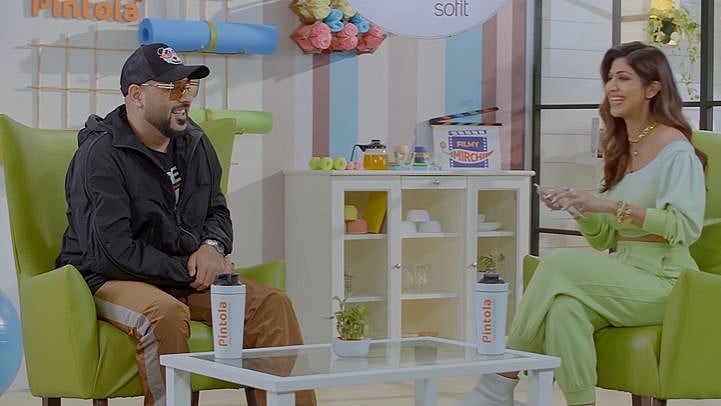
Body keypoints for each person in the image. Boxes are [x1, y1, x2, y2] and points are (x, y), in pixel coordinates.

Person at [56, 43, 317, 406]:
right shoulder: (101, 155)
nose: (186, 98)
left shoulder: (194, 141)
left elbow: (217, 211)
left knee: (272, 305)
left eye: (189, 87)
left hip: (178, 277)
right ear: (136, 95)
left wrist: (212, 247)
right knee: (164, 313)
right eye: (173, 88)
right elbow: (110, 252)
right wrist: (190, 268)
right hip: (109, 278)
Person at [461, 41, 707, 406]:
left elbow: (684, 227)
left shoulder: (676, 150)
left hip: (667, 283)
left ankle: (497, 383)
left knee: (558, 264)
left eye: (623, 78)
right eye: (609, 78)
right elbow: (603, 238)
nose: (612, 87)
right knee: (564, 309)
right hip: (626, 272)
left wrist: (609, 205)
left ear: (653, 88)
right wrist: (579, 208)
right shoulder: (621, 149)